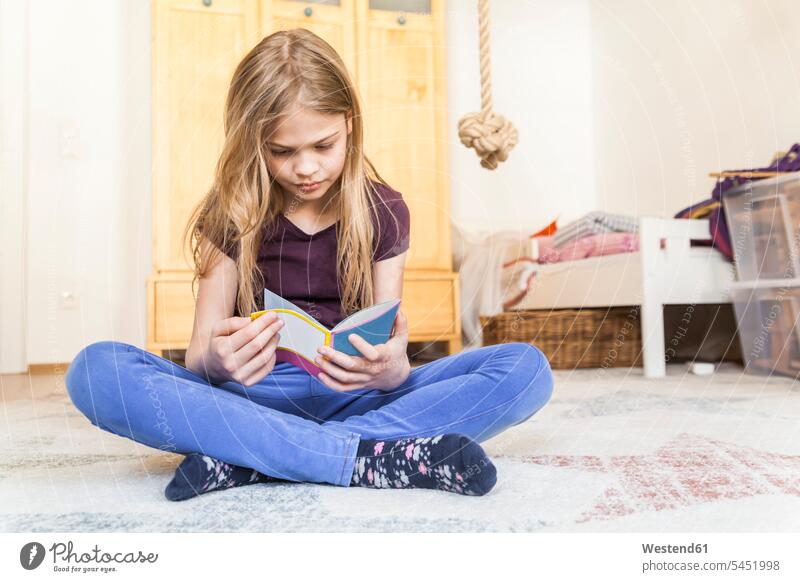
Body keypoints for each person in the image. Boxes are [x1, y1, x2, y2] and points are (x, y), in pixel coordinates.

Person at [64, 29, 554, 501]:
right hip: (251, 397)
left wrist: (392, 369)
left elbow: (384, 350)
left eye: (323, 146)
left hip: (357, 398)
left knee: (527, 371)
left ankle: (252, 457)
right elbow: (198, 354)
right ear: (254, 143)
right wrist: (216, 360)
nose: (306, 168)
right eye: (282, 151)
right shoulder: (232, 211)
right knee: (95, 371)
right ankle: (366, 457)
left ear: (349, 125)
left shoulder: (384, 210)